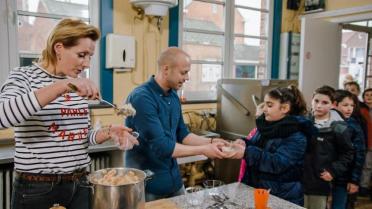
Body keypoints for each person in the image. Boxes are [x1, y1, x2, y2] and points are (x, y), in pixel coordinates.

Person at [0, 19, 138, 209]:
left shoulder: (75, 82)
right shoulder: (23, 76)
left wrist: (105, 133)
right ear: (59, 48)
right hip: (37, 189)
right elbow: (3, 117)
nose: (87, 63)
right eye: (82, 55)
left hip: (80, 184)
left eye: (90, 56)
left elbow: (80, 137)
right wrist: (62, 86)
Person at [125, 47, 228, 202]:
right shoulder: (142, 98)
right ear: (166, 69)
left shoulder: (173, 96)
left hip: (174, 182)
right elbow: (162, 146)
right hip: (149, 186)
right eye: (183, 72)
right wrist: (204, 150)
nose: (187, 78)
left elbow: (183, 134)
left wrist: (211, 142)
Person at [228, 85, 314, 206]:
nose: (264, 109)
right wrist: (244, 143)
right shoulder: (266, 125)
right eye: (264, 104)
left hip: (281, 195)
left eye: (269, 105)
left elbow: (278, 163)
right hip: (257, 188)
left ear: (284, 108)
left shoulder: (297, 135)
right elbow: (257, 146)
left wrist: (246, 152)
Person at [303, 86, 354, 209]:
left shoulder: (339, 128)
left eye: (324, 102)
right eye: (316, 101)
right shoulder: (304, 122)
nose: (319, 106)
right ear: (312, 101)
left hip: (320, 182)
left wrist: (333, 171)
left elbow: (348, 153)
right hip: (300, 179)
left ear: (333, 105)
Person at [332, 90, 365, 209]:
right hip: (323, 176)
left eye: (352, 105)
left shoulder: (354, 125)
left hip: (344, 178)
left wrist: (354, 180)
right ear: (335, 104)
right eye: (345, 105)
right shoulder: (326, 121)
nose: (349, 109)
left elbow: (359, 154)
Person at [237, 102, 264, 182]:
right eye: (257, 116)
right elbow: (250, 143)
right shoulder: (254, 131)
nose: (258, 120)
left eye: (261, 116)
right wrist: (243, 142)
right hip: (247, 169)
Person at [360, 88, 372, 197]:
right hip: (367, 142)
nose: (369, 97)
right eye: (367, 95)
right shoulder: (361, 110)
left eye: (371, 95)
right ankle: (363, 186)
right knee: (367, 165)